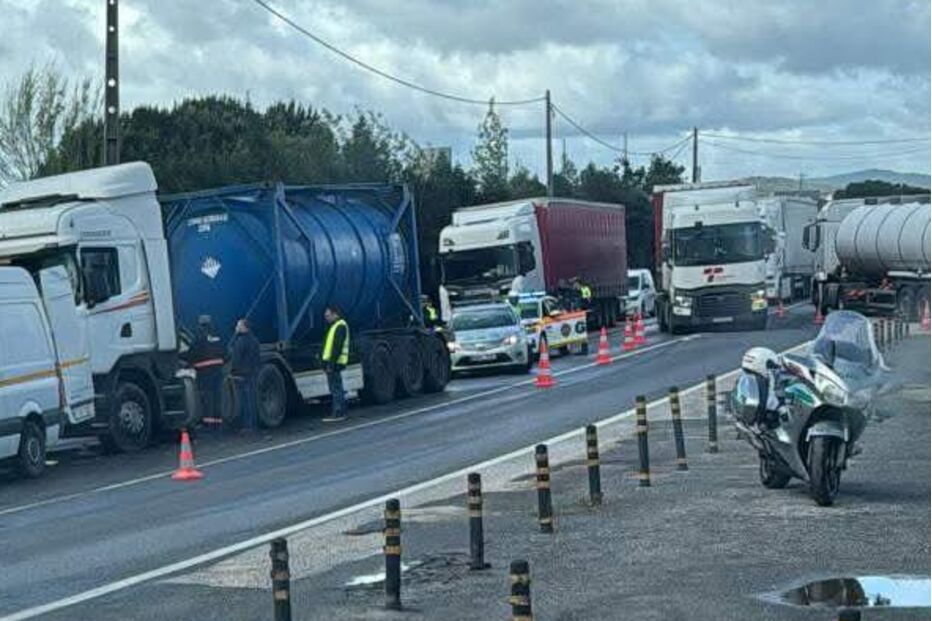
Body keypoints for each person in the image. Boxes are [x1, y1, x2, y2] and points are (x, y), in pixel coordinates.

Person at [229, 318, 261, 433]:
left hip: (243, 375)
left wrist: (232, 371)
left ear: (244, 327)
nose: (236, 328)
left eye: (238, 325)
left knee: (245, 401)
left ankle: (248, 426)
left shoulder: (241, 341)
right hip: (253, 373)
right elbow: (257, 358)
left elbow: (236, 359)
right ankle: (253, 425)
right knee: (251, 400)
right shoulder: (254, 340)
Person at [321, 306, 350, 422]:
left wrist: (331, 364)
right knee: (336, 388)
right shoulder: (335, 326)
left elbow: (336, 348)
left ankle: (338, 413)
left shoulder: (340, 326)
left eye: (328, 315)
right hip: (333, 363)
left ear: (335, 314)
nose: (326, 318)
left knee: (336, 389)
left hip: (335, 363)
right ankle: (340, 412)